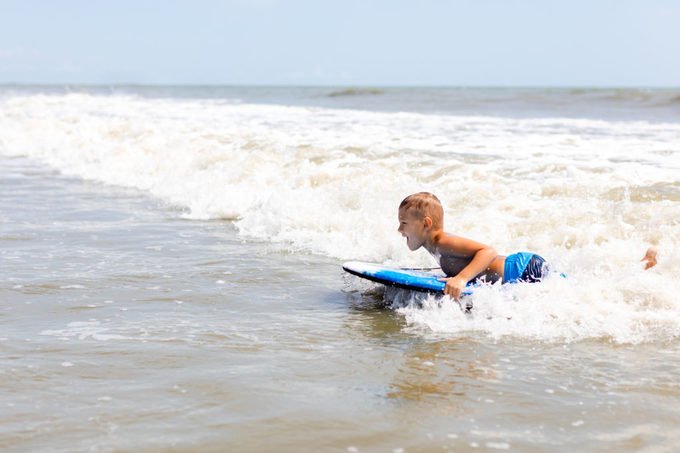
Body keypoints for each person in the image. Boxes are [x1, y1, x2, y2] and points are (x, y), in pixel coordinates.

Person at [398, 192, 658, 299]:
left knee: (586, 293)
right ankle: (640, 266)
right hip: (519, 270)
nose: (400, 230)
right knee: (579, 286)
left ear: (426, 224)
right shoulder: (433, 245)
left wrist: (462, 279)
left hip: (522, 270)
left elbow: (487, 251)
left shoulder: (443, 241)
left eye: (404, 224)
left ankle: (644, 265)